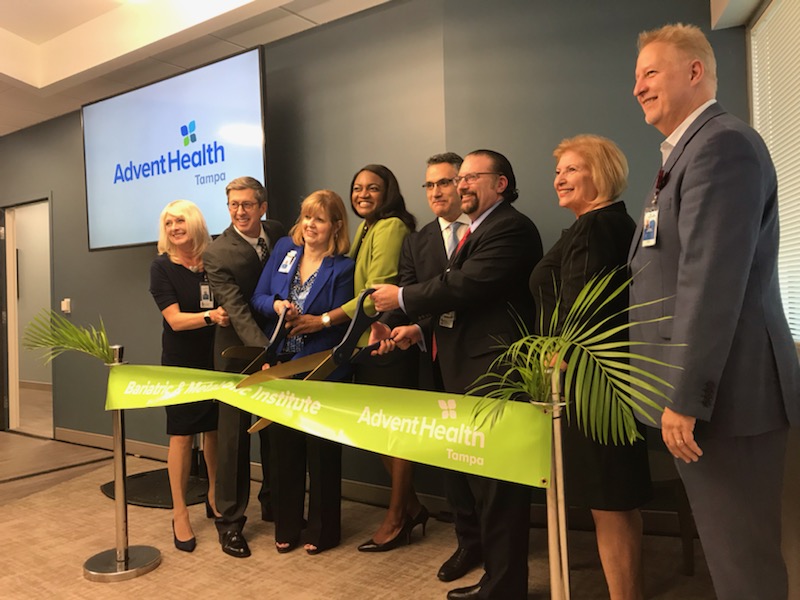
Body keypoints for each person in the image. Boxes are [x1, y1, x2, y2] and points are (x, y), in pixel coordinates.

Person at [629, 23, 800, 599]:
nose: (638, 87)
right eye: (636, 76)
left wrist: (685, 394)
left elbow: (710, 280)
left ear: (695, 71)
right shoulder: (685, 154)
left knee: (743, 567)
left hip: (727, 400)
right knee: (731, 560)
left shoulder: (721, 145)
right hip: (712, 398)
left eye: (651, 72)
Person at [371, 150, 543, 600]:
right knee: (479, 476)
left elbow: (464, 286)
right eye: (458, 179)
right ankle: (497, 579)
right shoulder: (479, 229)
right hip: (461, 369)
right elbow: (453, 299)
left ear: (500, 184)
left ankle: (504, 587)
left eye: (470, 178)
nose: (460, 186)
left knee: (499, 484)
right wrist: (414, 327)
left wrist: (402, 298)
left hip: (493, 372)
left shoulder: (510, 228)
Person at [529, 135, 651, 600]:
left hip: (590, 383)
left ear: (599, 173)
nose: (559, 178)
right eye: (558, 170)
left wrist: (555, 358)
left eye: (572, 169)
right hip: (599, 381)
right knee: (612, 501)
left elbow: (582, 310)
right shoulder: (600, 225)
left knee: (610, 501)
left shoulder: (598, 228)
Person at [286, 164, 422, 552]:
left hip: (387, 341)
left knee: (392, 435)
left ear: (388, 192)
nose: (363, 194)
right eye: (358, 188)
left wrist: (322, 320)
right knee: (379, 434)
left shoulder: (391, 226)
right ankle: (411, 508)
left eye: (373, 188)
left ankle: (398, 519)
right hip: (364, 343)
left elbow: (374, 292)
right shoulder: (368, 226)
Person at [371, 152, 482, 583]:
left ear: (465, 185)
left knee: (484, 458)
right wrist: (393, 326)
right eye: (429, 185)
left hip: (479, 361)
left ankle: (499, 542)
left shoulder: (483, 230)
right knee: (451, 459)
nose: (436, 192)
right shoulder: (417, 242)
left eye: (445, 183)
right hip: (433, 363)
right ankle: (467, 543)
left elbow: (470, 295)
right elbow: (407, 298)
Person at [251, 190, 355, 555]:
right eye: (307, 217)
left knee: (321, 451)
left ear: (336, 226)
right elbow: (258, 297)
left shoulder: (343, 267)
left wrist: (313, 323)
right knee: (284, 450)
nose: (310, 225)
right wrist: (277, 305)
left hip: (320, 367)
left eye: (320, 219)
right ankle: (288, 525)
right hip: (281, 364)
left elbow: (343, 318)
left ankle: (324, 530)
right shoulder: (283, 250)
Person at [203, 176, 287, 558]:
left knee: (274, 431)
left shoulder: (277, 232)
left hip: (279, 349)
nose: (239, 211)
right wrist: (265, 350)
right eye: (233, 205)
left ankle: (273, 502)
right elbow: (236, 309)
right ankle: (231, 522)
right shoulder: (218, 253)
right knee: (236, 438)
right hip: (238, 354)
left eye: (247, 205)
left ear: (262, 206)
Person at [149, 199, 231, 552]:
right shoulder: (162, 268)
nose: (173, 228)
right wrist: (213, 317)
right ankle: (179, 511)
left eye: (179, 221)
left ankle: (215, 495)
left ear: (195, 223)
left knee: (214, 431)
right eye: (168, 223)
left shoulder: (212, 262)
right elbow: (175, 320)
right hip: (181, 363)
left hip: (216, 360)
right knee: (181, 435)